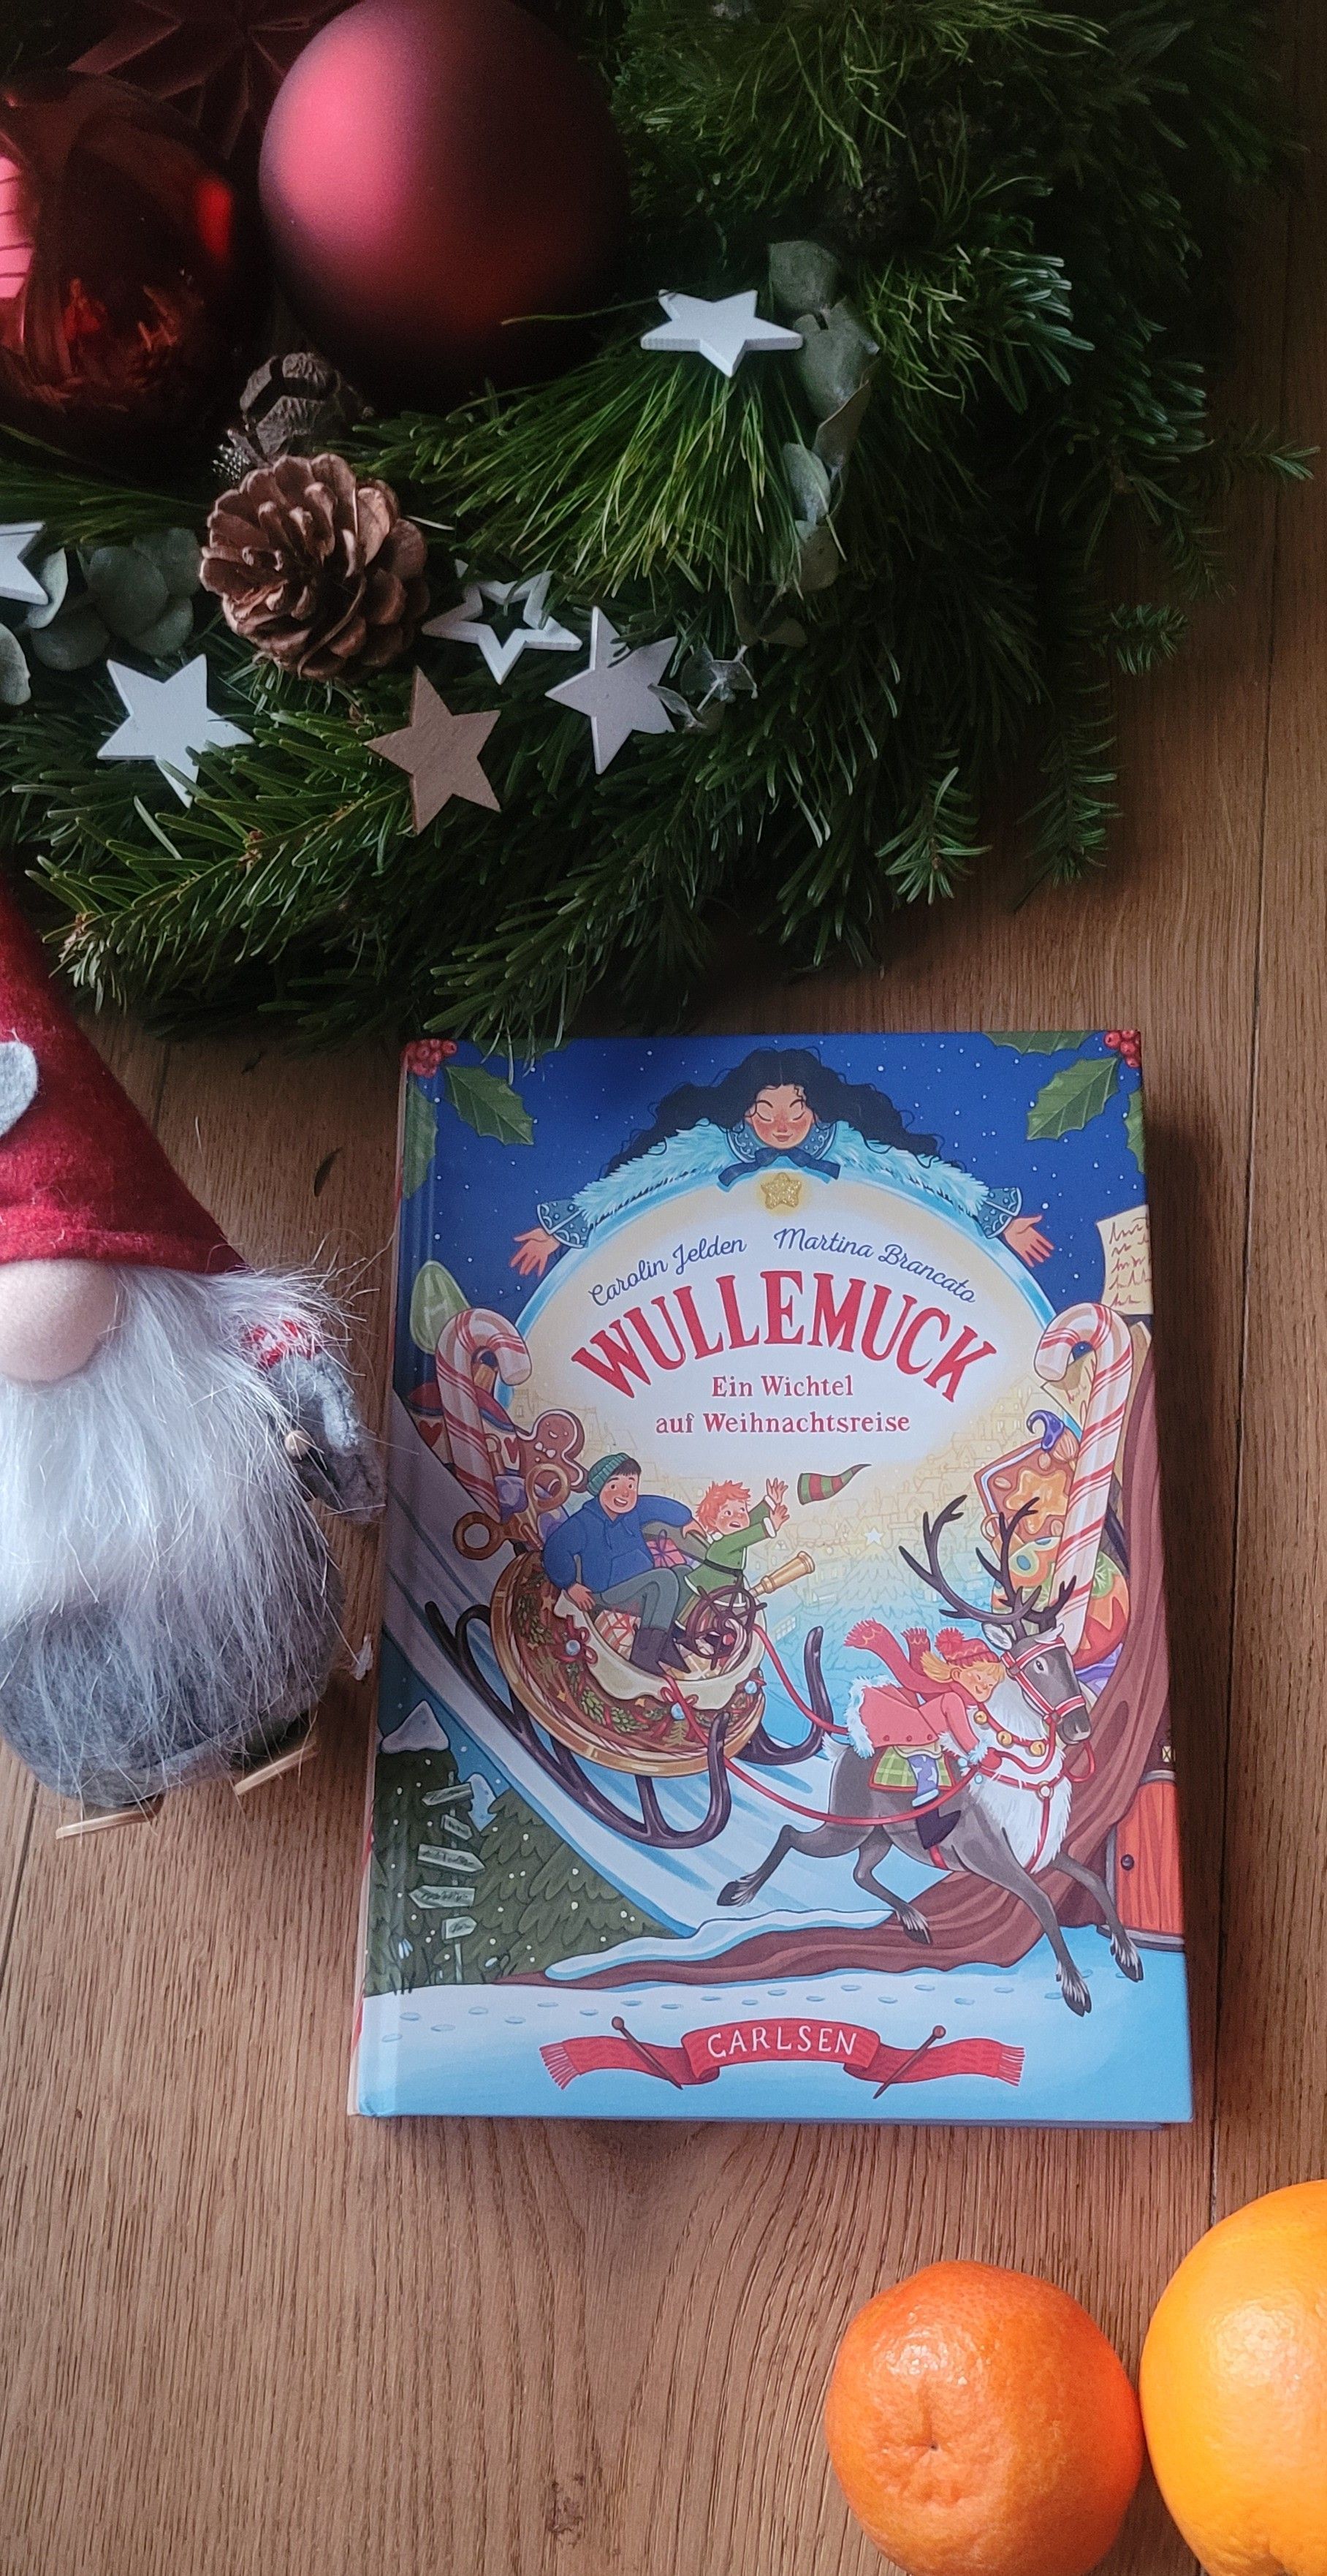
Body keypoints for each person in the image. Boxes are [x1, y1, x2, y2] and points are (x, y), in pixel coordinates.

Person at [512, 1045, 1051, 1278]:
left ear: (818, 1108)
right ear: (742, 1112)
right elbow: (641, 1176)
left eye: (797, 1110)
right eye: (763, 1113)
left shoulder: (845, 1144)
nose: (782, 1126)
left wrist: (997, 1218)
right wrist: (562, 1229)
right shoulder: (710, 1146)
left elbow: (918, 1172)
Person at [541, 1452, 708, 1675]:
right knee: (664, 1578)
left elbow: (659, 1506)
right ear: (600, 1489)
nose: (624, 1494)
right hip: (606, 1591)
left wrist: (685, 1519)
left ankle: (665, 1640)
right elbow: (556, 1549)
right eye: (614, 1486)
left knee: (683, 1573)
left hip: (640, 1584)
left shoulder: (634, 1511)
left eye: (631, 1486)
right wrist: (570, 1584)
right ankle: (644, 1653)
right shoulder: (584, 1522)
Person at [685, 1477, 788, 1599]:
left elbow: (749, 1522)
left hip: (727, 1588)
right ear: (713, 1521)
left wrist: (770, 1503)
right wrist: (770, 1526)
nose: (738, 1515)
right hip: (710, 1589)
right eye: (728, 1513)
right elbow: (746, 1536)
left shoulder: (735, 1532)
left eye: (742, 1510)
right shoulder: (723, 1543)